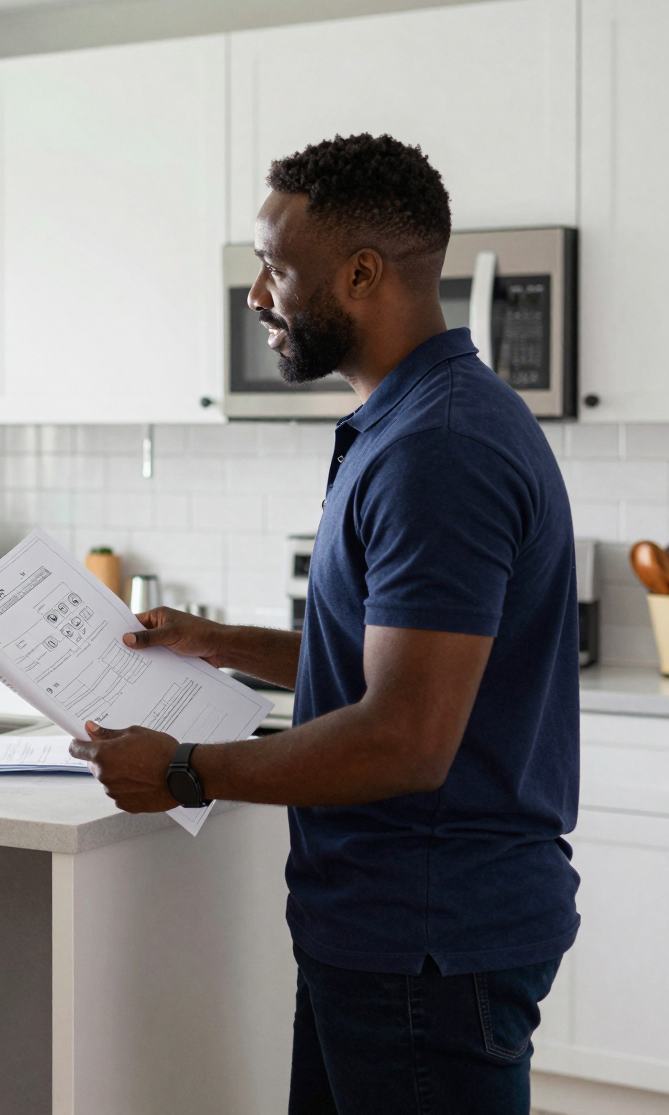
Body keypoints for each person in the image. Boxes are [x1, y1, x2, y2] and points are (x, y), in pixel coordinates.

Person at [72, 134, 578, 1115]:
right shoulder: (411, 421)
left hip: (423, 939)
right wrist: (217, 642)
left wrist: (183, 768)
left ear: (359, 273)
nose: (256, 295)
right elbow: (390, 665)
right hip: (388, 931)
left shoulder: (438, 449)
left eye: (274, 267)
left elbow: (403, 736)